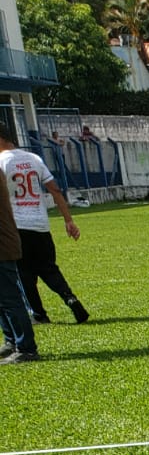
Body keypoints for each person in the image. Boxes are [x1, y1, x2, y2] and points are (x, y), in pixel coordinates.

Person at [0, 123, 88, 324]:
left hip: (17, 226)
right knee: (49, 268)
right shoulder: (34, 158)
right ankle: (70, 298)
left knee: (24, 274)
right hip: (40, 224)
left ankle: (39, 314)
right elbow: (55, 190)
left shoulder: (1, 162)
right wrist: (68, 220)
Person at [0, 170, 39, 364]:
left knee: (9, 299)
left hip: (2, 245)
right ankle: (12, 341)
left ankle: (26, 347)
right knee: (2, 300)